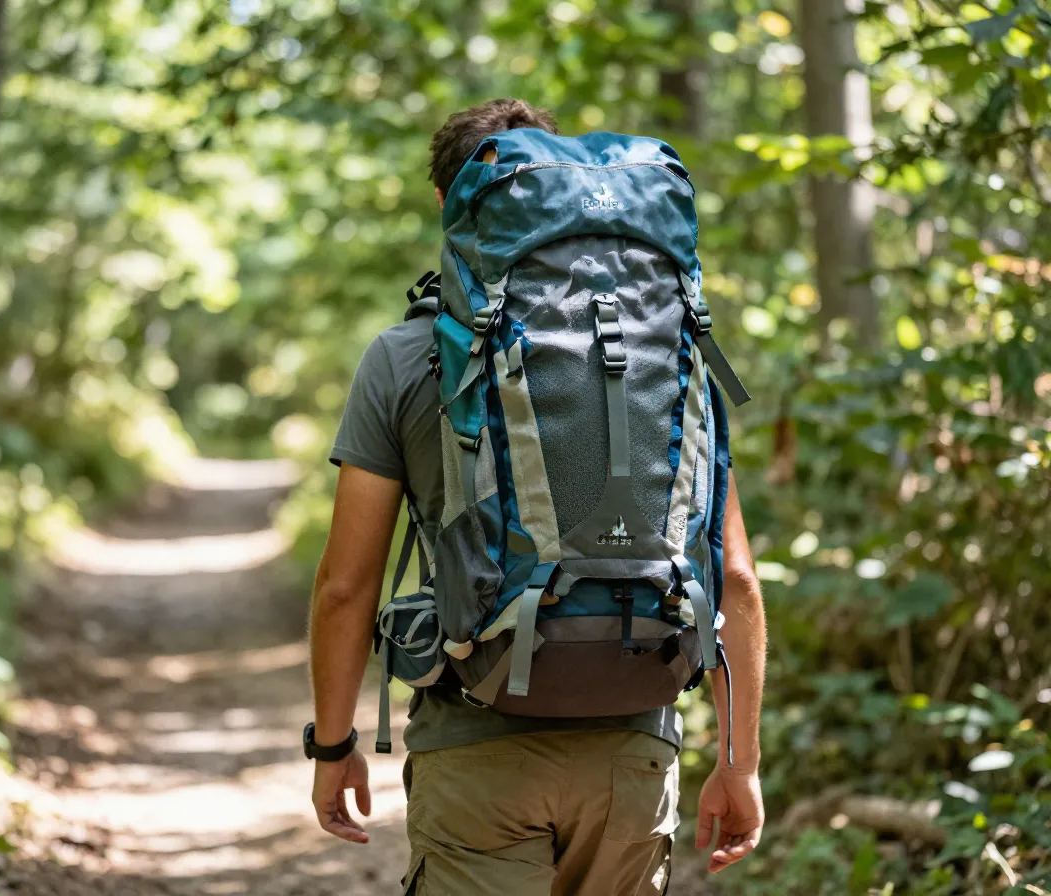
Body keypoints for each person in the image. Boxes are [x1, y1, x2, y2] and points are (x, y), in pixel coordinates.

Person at [306, 98, 767, 895]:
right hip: (635, 742)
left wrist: (333, 744)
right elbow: (737, 582)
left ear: (454, 212)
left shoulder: (405, 357)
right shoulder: (670, 342)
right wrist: (740, 763)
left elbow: (347, 587)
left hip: (476, 742)